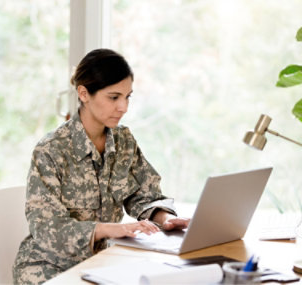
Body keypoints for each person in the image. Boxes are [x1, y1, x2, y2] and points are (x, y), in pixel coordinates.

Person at [13, 48, 190, 284]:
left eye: (127, 97)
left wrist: (164, 218)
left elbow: (143, 195)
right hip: (48, 267)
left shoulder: (124, 140)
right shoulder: (50, 150)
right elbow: (47, 229)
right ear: (84, 94)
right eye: (114, 97)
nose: (123, 107)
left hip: (104, 262)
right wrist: (106, 229)